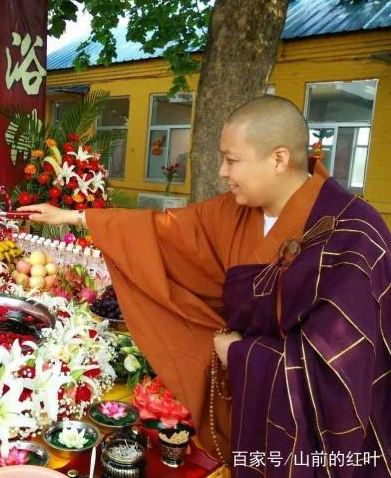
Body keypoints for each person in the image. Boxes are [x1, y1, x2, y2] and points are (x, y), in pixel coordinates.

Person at [19, 96, 391, 477]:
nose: (222, 173)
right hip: (250, 402)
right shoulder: (236, 211)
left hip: (319, 435)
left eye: (232, 160)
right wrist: (73, 216)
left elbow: (343, 371)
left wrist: (242, 354)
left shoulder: (354, 234)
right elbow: (163, 230)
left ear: (278, 159)